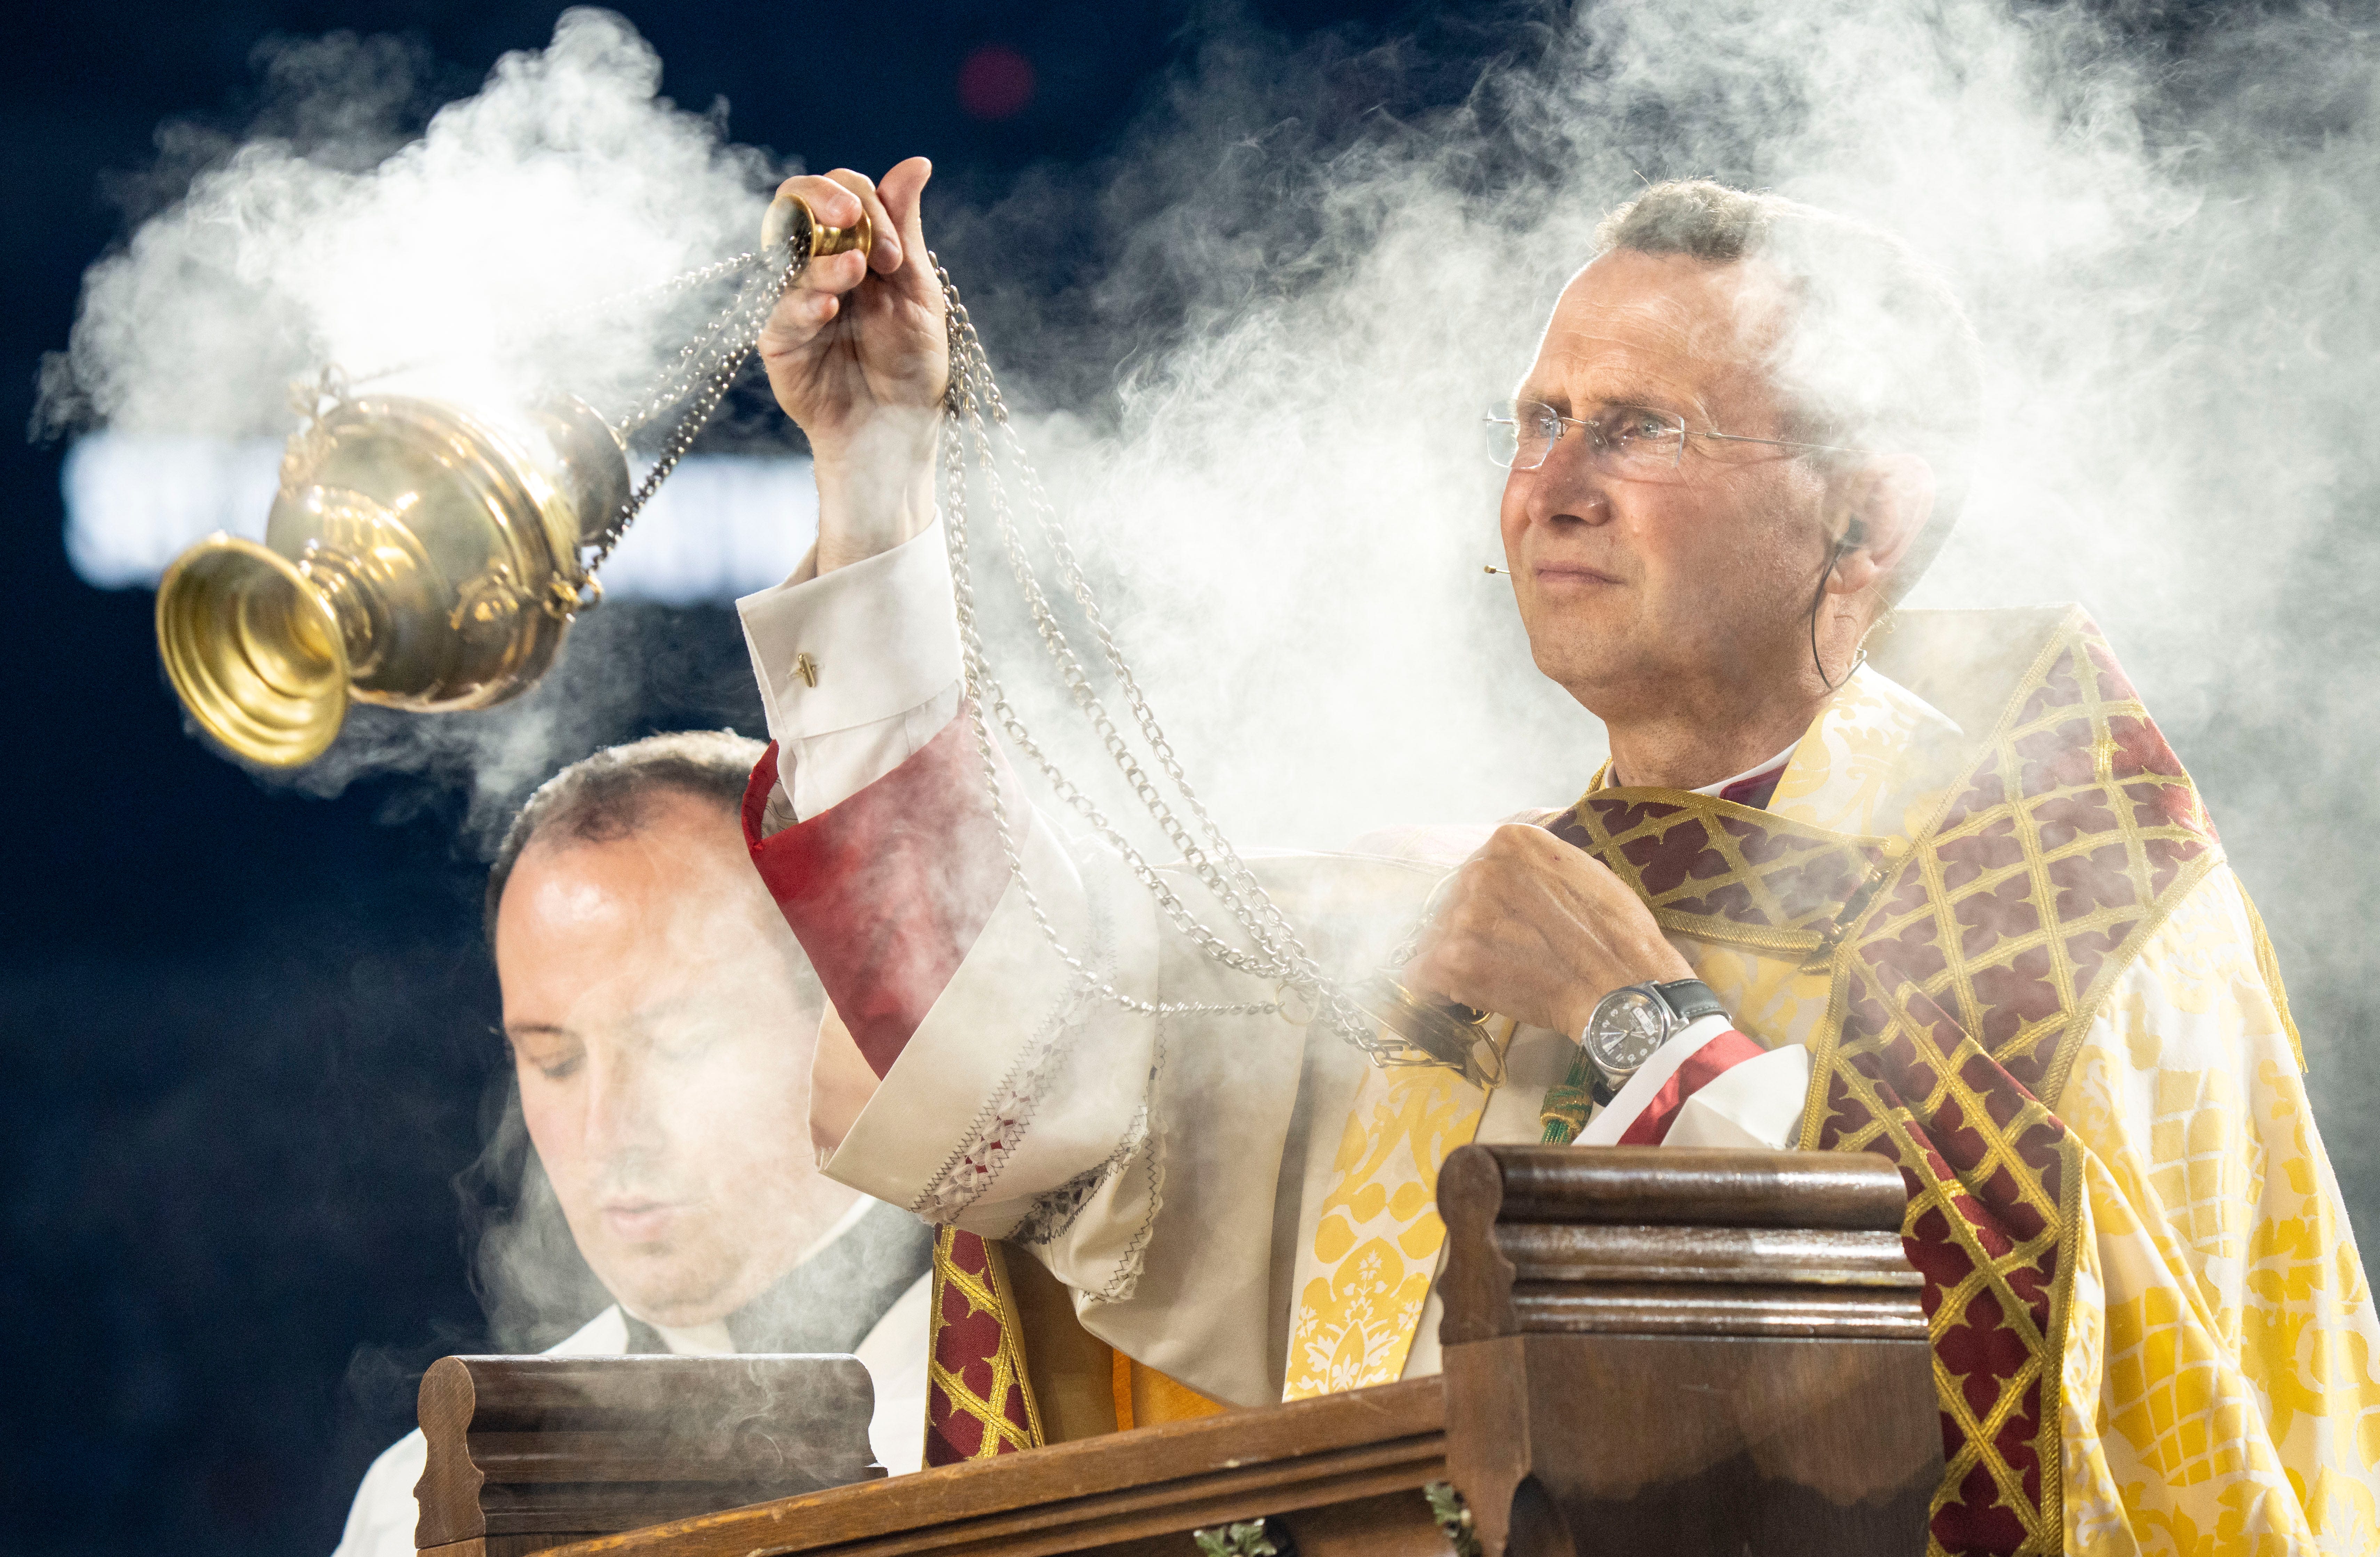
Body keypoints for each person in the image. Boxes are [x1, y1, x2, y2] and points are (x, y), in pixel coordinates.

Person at [736, 161, 2380, 1553]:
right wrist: (874, 466)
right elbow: (991, 1050)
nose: (1553, 485)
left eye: (1644, 427)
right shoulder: (1459, 923)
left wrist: (1643, 1026)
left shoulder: (2066, 909)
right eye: (1540, 416)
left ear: (1863, 520)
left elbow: (2021, 1415)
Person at [332, 732, 934, 1557]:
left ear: (842, 1018)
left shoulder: (1036, 1407)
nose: (607, 1130)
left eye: (679, 1044)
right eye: (554, 1060)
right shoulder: (419, 1508)